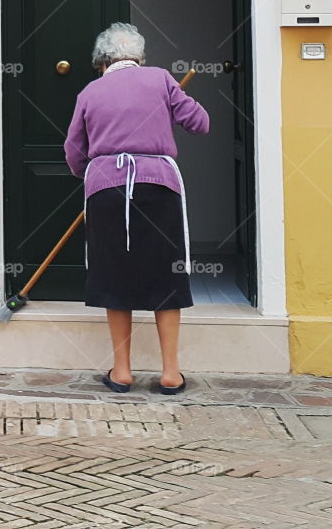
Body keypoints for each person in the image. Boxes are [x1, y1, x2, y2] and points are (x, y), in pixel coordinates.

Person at [63, 22, 209, 395]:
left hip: (106, 190)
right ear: (139, 58)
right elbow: (200, 124)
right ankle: (171, 373)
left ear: (101, 62)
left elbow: (74, 151)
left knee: (115, 275)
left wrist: (93, 175)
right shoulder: (160, 80)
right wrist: (174, 100)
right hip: (158, 184)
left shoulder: (90, 91)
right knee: (166, 274)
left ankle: (123, 371)